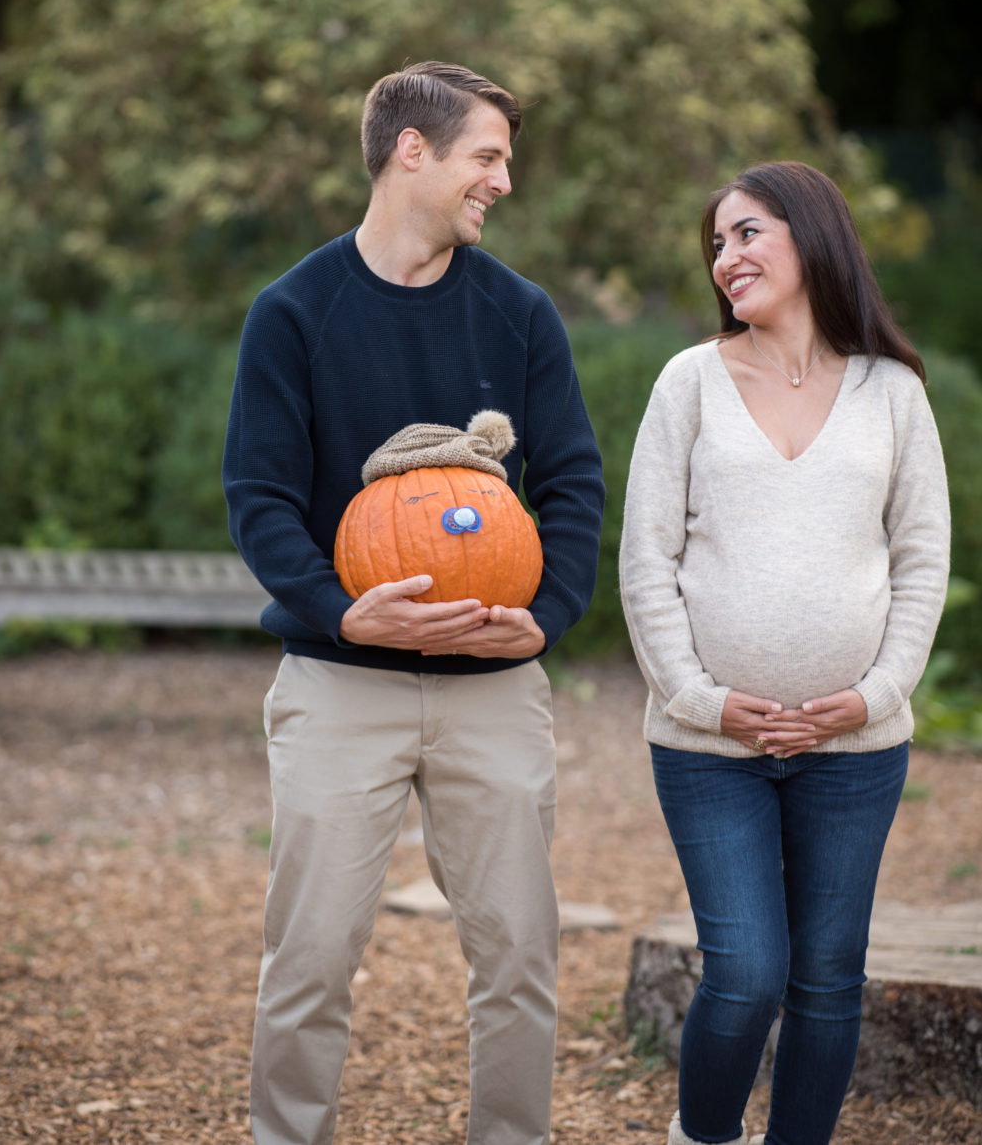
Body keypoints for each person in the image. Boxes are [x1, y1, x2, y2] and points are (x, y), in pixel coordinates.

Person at [222, 60, 605, 1145]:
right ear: (411, 152)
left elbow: (571, 481)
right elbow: (259, 495)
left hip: (494, 682)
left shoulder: (519, 314)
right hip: (340, 684)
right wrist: (341, 610)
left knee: (520, 962)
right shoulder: (293, 312)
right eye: (486, 157)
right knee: (307, 963)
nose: (502, 182)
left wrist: (554, 608)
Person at [618, 161, 950, 1145]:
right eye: (716, 243)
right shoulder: (687, 382)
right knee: (747, 973)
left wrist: (876, 694)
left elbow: (922, 557)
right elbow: (645, 559)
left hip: (854, 754)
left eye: (746, 233)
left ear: (810, 237)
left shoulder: (890, 391)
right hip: (707, 748)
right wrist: (696, 697)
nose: (726, 258)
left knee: (826, 981)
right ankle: (703, 1137)